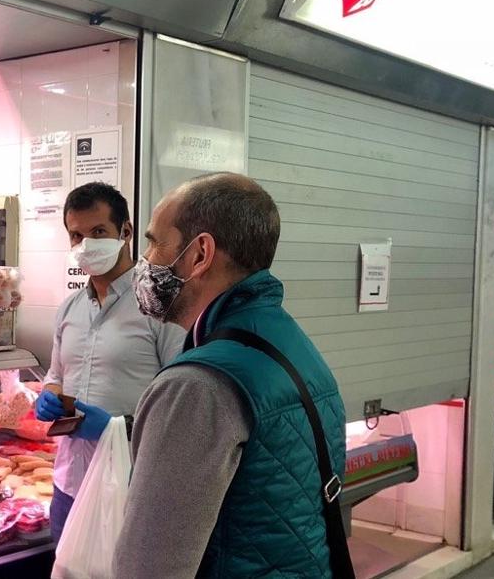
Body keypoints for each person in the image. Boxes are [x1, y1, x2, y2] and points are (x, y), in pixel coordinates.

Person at [118, 173, 347, 576]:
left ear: (199, 254)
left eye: (154, 242)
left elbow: (149, 567)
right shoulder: (292, 345)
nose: (146, 259)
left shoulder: (195, 386)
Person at [32, 183, 185, 542]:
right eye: (76, 235)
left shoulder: (162, 307)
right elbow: (56, 374)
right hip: (69, 484)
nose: (87, 244)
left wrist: (118, 429)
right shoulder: (70, 308)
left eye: (98, 232)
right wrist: (50, 394)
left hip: (130, 486)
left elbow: (179, 405)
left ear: (126, 232)